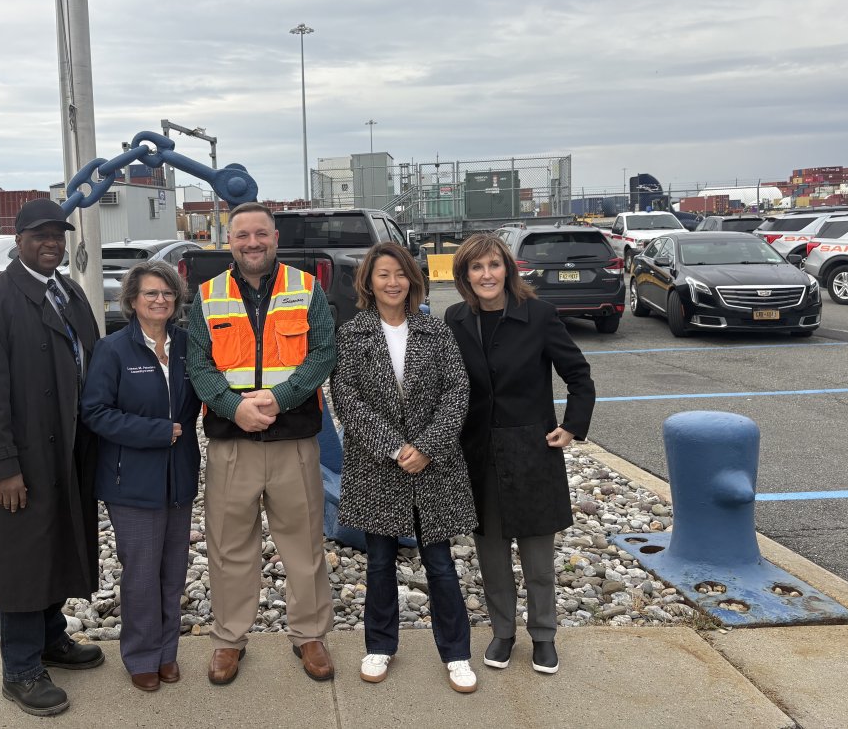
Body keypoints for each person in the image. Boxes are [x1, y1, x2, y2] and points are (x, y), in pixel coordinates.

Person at [0, 198, 103, 718]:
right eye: (40, 235)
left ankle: (51, 639)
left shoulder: (67, 292)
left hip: (64, 449)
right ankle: (19, 669)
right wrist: (0, 467)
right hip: (21, 457)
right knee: (21, 557)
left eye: (57, 235)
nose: (51, 243)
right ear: (18, 240)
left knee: (57, 544)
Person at [186, 201, 337, 685]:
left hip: (294, 439)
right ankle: (229, 640)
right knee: (230, 548)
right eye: (242, 235)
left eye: (261, 234)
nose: (252, 243)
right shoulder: (207, 296)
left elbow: (322, 354)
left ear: (275, 237)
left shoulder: (306, 288)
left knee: (305, 543)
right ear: (228, 241)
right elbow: (200, 366)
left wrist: (279, 397)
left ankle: (309, 635)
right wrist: (236, 408)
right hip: (233, 444)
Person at [330, 242, 480, 694]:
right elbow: (348, 401)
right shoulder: (352, 335)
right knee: (378, 562)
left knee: (440, 563)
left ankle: (456, 654)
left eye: (400, 274)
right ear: (368, 283)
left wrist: (428, 447)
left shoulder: (435, 331)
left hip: (433, 466)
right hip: (378, 465)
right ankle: (379, 645)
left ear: (412, 280)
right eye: (383, 275)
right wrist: (396, 448)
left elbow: (458, 389)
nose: (392, 282)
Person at [445, 232, 595, 676]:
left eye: (493, 265)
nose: (486, 274)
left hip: (532, 450)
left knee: (537, 557)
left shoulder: (540, 316)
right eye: (476, 267)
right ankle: (503, 632)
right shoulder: (455, 319)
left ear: (507, 270)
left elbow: (579, 376)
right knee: (491, 555)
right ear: (465, 276)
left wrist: (571, 426)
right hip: (478, 453)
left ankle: (544, 636)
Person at [80, 260, 201, 692]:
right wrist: (155, 431)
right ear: (133, 300)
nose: (160, 300)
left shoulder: (188, 345)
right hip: (130, 480)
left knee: (173, 572)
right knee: (142, 573)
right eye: (151, 293)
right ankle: (141, 655)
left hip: (179, 477)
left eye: (167, 293)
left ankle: (168, 653)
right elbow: (94, 412)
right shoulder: (114, 349)